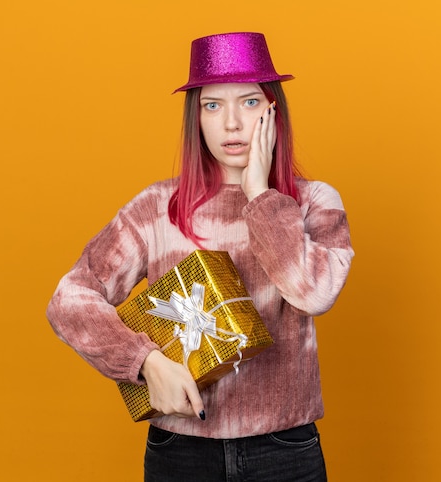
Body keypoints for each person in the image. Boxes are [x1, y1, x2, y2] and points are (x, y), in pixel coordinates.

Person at [47, 31, 354, 482]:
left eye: (249, 102)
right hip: (181, 450)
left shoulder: (313, 203)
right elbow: (69, 299)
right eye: (213, 105)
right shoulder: (157, 208)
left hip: (284, 449)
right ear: (197, 117)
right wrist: (144, 361)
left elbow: (314, 293)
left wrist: (259, 194)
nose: (231, 123)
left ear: (274, 111)